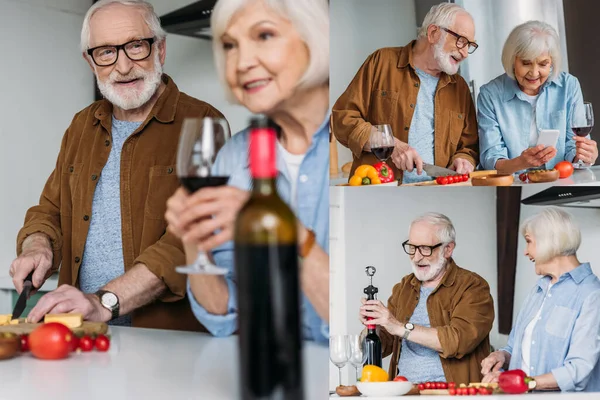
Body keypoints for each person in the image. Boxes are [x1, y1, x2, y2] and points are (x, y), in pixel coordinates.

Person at [10, 0, 224, 331]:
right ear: (91, 62)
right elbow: (49, 211)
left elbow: (190, 240)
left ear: (160, 49)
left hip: (165, 340)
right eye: (106, 52)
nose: (122, 67)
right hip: (83, 334)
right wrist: (37, 246)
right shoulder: (81, 126)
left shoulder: (204, 123)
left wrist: (104, 300)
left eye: (136, 47)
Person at [164, 0, 330, 343]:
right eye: (229, 46)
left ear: (314, 40)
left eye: (264, 35)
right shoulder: (232, 158)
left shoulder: (360, 147)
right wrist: (194, 242)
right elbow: (225, 317)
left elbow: (363, 322)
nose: (241, 62)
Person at [331, 3, 479, 184]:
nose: (465, 53)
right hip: (380, 188)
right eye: (461, 41)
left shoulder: (460, 88)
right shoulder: (381, 62)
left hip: (437, 188)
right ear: (433, 33)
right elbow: (343, 119)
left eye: (469, 45)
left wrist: (464, 159)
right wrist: (389, 144)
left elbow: (469, 147)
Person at [359, 213, 494, 384]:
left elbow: (458, 341)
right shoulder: (403, 287)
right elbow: (384, 346)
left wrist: (399, 326)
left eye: (425, 248)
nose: (416, 257)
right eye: (412, 247)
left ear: (448, 249)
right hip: (402, 391)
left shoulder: (473, 287)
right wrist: (374, 326)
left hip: (448, 393)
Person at [481, 207, 600, 392]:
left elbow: (579, 370)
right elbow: (515, 348)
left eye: (529, 242)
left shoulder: (592, 294)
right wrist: (502, 356)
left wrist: (526, 382)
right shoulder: (538, 290)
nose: (526, 252)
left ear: (549, 243)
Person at [478, 20, 598, 173]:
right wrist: (521, 163)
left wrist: (584, 155)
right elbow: (491, 157)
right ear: (512, 61)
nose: (534, 73)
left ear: (552, 63)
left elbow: (572, 145)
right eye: (526, 63)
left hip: (560, 180)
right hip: (514, 184)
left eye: (543, 64)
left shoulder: (568, 86)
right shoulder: (490, 94)